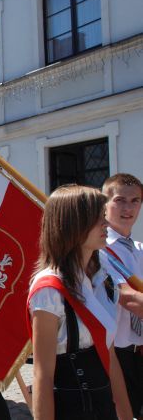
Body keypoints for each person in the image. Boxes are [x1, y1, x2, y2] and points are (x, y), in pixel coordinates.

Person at [29, 185, 131, 419]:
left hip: (103, 407)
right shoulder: (49, 289)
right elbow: (42, 374)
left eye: (104, 217)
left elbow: (109, 353)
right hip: (72, 409)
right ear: (73, 225)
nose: (106, 225)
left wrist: (125, 414)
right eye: (98, 219)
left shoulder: (101, 278)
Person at [101, 173, 143, 417]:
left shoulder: (139, 250)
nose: (128, 208)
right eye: (120, 200)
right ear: (105, 204)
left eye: (135, 201)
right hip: (117, 355)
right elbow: (127, 299)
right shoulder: (98, 249)